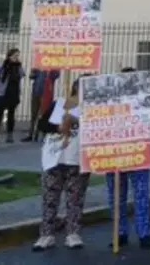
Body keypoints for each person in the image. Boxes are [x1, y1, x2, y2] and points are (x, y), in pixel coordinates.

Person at [32, 79, 90, 251]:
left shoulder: (92, 109)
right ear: (74, 88)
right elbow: (42, 124)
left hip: (77, 159)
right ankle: (46, 235)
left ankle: (73, 233)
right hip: (54, 158)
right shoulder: (59, 103)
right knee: (50, 198)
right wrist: (59, 127)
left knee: (75, 199)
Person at [105, 68, 150, 249]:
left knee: (141, 195)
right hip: (114, 155)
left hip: (137, 154)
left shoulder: (144, 101)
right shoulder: (107, 103)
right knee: (117, 197)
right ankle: (121, 233)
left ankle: (144, 234)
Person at [0, 48, 24, 144]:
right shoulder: (3, 65)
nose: (16, 57)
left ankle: (9, 135)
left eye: (18, 55)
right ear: (9, 56)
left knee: (11, 114)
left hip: (14, 93)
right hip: (3, 93)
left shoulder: (18, 67)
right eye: (15, 55)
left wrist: (19, 65)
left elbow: (22, 74)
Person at [23, 69, 60, 143]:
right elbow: (31, 76)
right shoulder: (38, 66)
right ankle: (31, 134)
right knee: (34, 114)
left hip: (46, 94)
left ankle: (43, 134)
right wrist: (34, 71)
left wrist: (49, 70)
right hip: (36, 93)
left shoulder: (53, 67)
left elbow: (56, 75)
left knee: (44, 114)